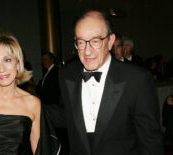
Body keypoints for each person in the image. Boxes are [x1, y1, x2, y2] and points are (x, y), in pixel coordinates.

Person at [58, 10, 163, 155]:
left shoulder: (138, 79)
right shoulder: (66, 74)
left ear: (110, 41)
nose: (87, 51)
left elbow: (150, 143)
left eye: (95, 41)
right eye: (81, 42)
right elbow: (65, 116)